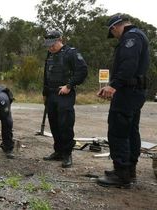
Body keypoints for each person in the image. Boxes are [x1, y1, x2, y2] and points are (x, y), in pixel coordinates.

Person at [96, 14, 149, 188]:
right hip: (135, 92)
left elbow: (128, 64)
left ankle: (121, 174)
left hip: (127, 92)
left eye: (113, 33)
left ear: (115, 27)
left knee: (118, 131)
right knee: (131, 131)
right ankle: (129, 171)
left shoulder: (130, 37)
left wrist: (113, 86)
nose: (115, 36)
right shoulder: (139, 35)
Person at [42, 30, 88, 168]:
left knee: (65, 125)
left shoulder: (71, 53)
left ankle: (67, 154)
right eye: (48, 45)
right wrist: (44, 94)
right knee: (54, 124)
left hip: (65, 95)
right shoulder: (49, 55)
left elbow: (83, 71)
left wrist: (69, 85)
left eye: (53, 44)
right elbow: (46, 75)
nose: (50, 47)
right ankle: (59, 151)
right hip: (51, 94)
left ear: (60, 40)